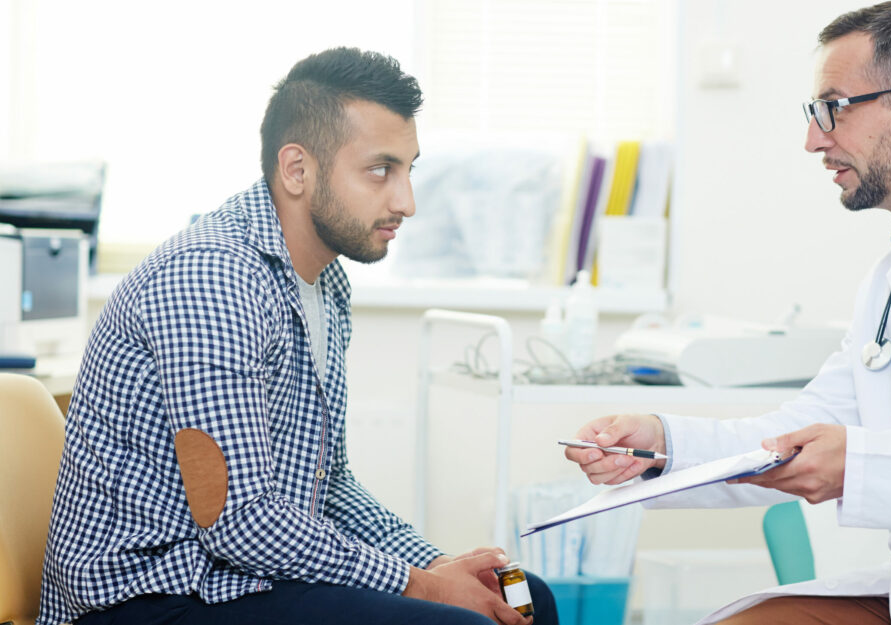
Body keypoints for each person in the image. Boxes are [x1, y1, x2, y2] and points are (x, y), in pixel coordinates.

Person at [565, 2, 891, 623]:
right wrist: (664, 445)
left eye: (832, 108)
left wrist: (861, 466)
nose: (814, 139)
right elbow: (800, 431)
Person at [37, 48, 557, 625]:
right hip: (147, 600)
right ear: (296, 170)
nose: (405, 201)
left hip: (242, 578)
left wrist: (438, 565)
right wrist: (426, 590)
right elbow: (239, 521)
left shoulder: (325, 282)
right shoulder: (211, 280)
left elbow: (327, 486)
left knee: (524, 595)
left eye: (410, 170)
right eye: (380, 170)